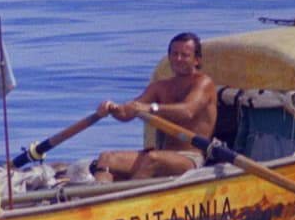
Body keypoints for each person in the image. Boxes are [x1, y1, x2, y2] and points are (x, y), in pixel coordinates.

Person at [92, 32, 218, 182]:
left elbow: (187, 111)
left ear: (196, 60)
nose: (178, 59)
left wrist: (151, 108)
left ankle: (128, 200)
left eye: (184, 55)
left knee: (152, 158)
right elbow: (126, 113)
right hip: (164, 153)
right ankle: (99, 198)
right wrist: (111, 108)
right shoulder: (160, 86)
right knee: (106, 158)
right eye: (174, 54)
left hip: (190, 158)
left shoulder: (204, 83)